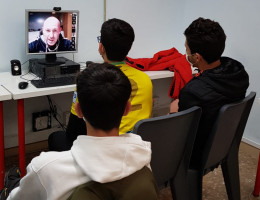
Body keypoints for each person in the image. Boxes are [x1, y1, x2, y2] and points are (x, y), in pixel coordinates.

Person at [7, 63, 156, 200]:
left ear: (78, 110)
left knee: (11, 184)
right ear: (127, 109)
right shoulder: (143, 158)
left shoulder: (45, 168)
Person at [48, 18, 153, 151]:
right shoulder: (145, 79)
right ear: (129, 47)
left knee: (56, 137)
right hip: (134, 148)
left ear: (101, 47)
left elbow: (74, 134)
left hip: (100, 151)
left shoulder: (89, 80)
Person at [170, 17, 249, 167]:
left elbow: (183, 136)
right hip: (223, 144)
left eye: (186, 49)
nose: (185, 52)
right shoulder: (238, 71)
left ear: (197, 57)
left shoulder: (193, 92)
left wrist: (174, 112)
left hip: (197, 156)